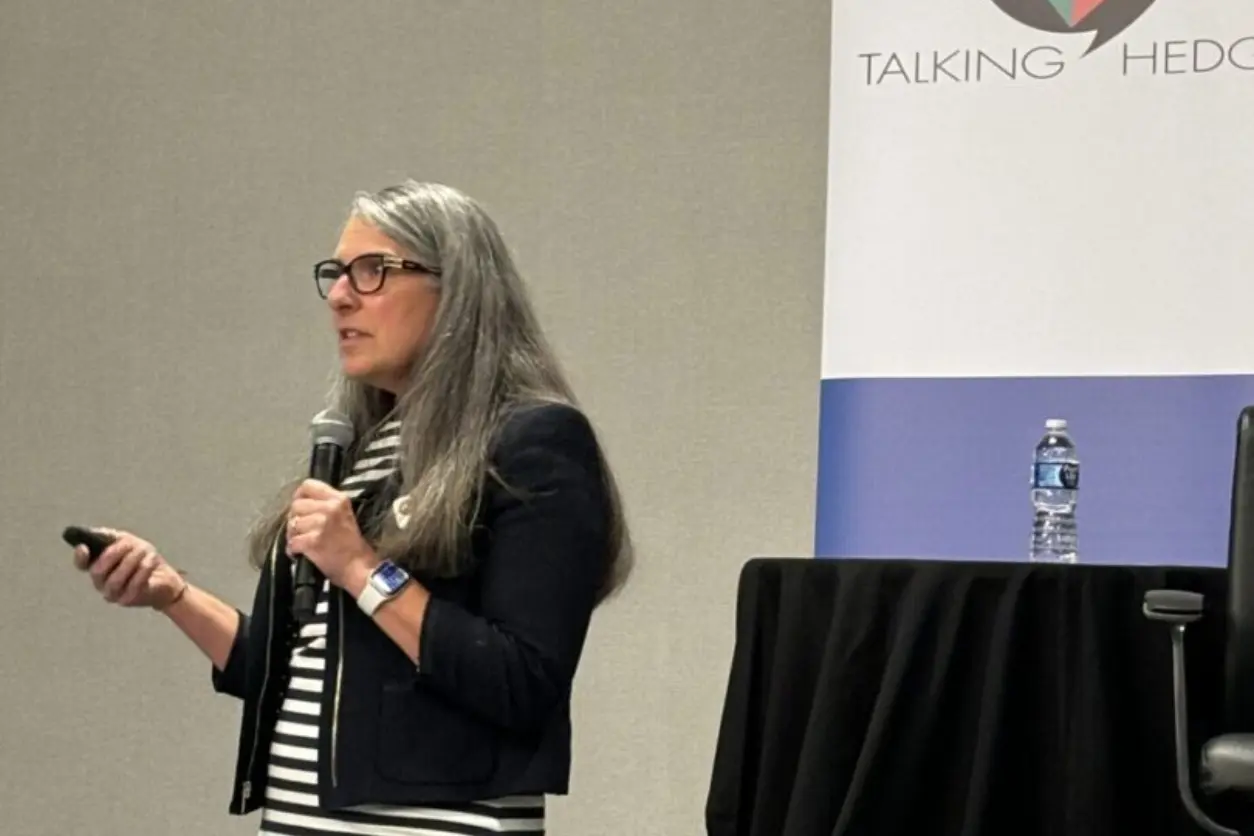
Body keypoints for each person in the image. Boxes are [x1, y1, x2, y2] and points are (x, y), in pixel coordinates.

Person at [69, 180, 633, 836]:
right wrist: (172, 594)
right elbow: (296, 674)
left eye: (373, 271)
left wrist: (363, 569)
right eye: (336, 273)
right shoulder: (367, 452)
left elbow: (523, 682)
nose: (340, 295)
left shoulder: (533, 439)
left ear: (459, 291)